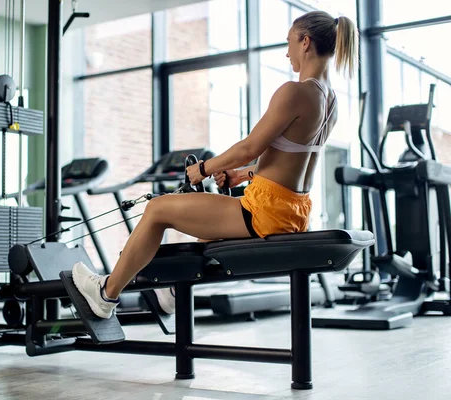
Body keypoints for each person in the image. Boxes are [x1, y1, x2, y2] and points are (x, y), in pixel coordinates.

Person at [72, 10, 358, 319]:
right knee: (203, 212)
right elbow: (295, 158)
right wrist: (243, 175)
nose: (287, 52)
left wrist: (204, 169)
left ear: (305, 42)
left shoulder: (295, 91)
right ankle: (170, 293)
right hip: (292, 208)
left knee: (157, 209)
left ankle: (105, 294)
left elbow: (249, 147)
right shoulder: (330, 101)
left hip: (266, 211)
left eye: (289, 42)